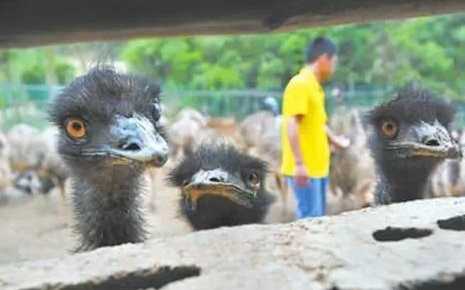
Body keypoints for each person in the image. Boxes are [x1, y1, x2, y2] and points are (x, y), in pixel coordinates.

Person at [280, 37, 349, 218]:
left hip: (318, 167)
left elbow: (318, 124)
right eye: (333, 62)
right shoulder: (300, 84)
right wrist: (300, 164)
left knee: (316, 219)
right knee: (309, 221)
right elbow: (292, 124)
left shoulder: (315, 87)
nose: (334, 67)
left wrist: (335, 140)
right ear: (323, 58)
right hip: (306, 169)